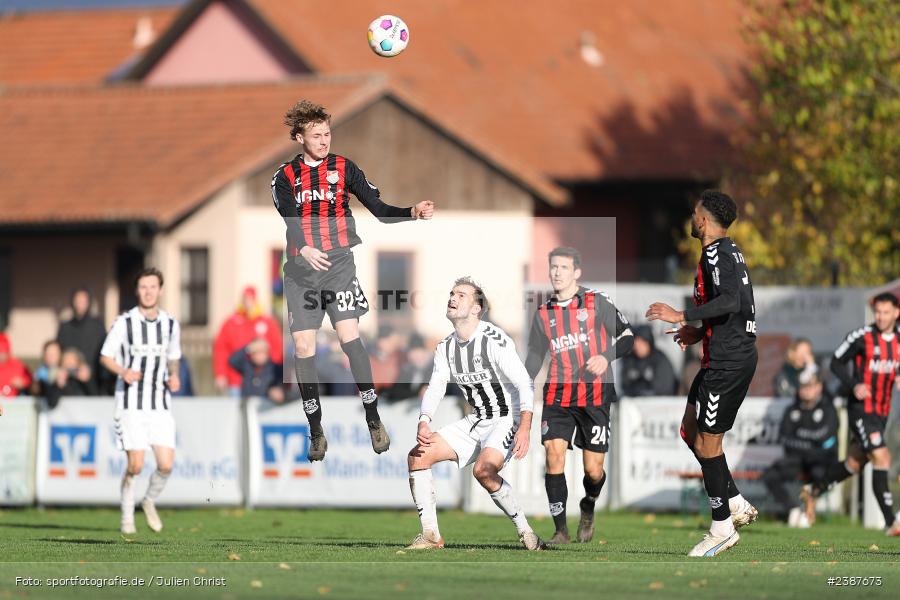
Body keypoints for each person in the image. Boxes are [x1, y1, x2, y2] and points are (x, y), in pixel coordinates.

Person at [271, 99, 434, 460]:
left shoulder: (345, 168)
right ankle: (316, 431)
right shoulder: (285, 177)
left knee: (349, 337)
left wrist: (412, 212)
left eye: (327, 133)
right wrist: (304, 247)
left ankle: (373, 418)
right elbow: (289, 218)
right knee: (302, 348)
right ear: (299, 137)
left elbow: (378, 209)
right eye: (316, 135)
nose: (324, 140)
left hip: (339, 265)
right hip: (301, 272)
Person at [646, 190, 759, 557]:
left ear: (704, 220)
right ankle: (735, 502)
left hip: (729, 361)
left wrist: (681, 316)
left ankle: (721, 527)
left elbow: (731, 301)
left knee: (709, 444)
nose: (692, 217)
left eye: (694, 212)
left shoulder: (715, 253)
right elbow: (730, 309)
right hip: (721, 355)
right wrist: (699, 331)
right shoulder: (728, 251)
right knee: (691, 431)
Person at [406, 277, 542, 551]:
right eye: (451, 293)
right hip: (477, 419)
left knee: (483, 470)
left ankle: (526, 532)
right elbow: (436, 386)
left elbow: (524, 383)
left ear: (477, 308)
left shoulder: (494, 340)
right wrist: (424, 420)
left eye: (461, 295)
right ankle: (431, 535)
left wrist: (525, 428)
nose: (453, 298)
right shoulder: (445, 347)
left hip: (506, 419)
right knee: (417, 457)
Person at [525, 247, 634, 544]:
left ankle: (589, 503)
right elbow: (535, 354)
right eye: (553, 267)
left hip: (595, 395)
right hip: (558, 394)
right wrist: (524, 382)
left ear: (576, 272)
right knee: (553, 455)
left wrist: (605, 357)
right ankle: (560, 530)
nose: (557, 272)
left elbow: (627, 337)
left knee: (593, 470)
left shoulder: (596, 302)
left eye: (563, 267)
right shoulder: (543, 313)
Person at [806, 292, 900, 536]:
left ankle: (814, 489)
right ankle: (891, 523)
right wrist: (854, 385)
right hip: (861, 410)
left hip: (881, 412)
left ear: (896, 313)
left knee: (854, 464)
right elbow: (836, 362)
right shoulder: (862, 337)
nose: (880, 317)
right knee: (882, 457)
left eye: (885, 312)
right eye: (877, 312)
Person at [100, 268, 181, 535]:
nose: (148, 291)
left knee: (166, 464)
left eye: (153, 286)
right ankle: (126, 515)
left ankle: (148, 501)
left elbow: (173, 356)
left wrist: (175, 376)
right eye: (143, 287)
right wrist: (124, 371)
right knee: (135, 465)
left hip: (159, 402)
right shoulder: (124, 322)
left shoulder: (170, 323)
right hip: (131, 404)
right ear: (137, 291)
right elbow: (106, 356)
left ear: (160, 289)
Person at [762, 365, 837, 526]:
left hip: (821, 459)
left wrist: (802, 439)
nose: (806, 390)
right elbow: (785, 438)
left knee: (819, 474)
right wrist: (810, 441)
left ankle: (809, 509)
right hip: (796, 458)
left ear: (819, 387)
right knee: (770, 475)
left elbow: (826, 439)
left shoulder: (828, 409)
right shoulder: (791, 410)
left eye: (810, 386)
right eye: (803, 386)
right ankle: (792, 509)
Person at [213, 286, 283, 397]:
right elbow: (221, 349)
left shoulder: (267, 323)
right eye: (245, 299)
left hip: (263, 381)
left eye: (251, 300)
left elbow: (277, 350)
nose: (248, 303)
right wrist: (221, 373)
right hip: (236, 380)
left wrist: (275, 378)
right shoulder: (231, 323)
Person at [57, 287, 107, 393]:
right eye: (77, 301)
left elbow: (104, 352)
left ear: (89, 303)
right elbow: (59, 352)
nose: (80, 304)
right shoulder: (65, 327)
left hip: (93, 381)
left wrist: (90, 372)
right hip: (69, 380)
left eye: (83, 301)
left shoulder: (97, 326)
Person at [621, 324, 678, 397]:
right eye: (636, 343)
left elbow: (665, 389)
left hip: (657, 404)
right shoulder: (629, 359)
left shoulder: (660, 360)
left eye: (641, 343)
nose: (637, 347)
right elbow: (625, 386)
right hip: (634, 404)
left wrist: (645, 392)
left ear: (648, 342)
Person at [0, 333, 32, 397]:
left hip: (14, 402)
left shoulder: (17, 364)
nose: (1, 355)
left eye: (3, 352)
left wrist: (23, 382)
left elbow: (29, 379)